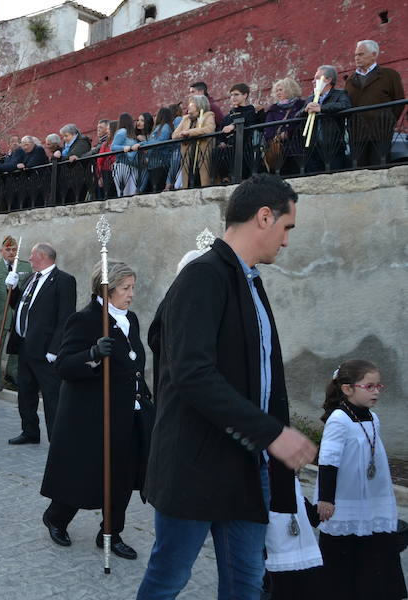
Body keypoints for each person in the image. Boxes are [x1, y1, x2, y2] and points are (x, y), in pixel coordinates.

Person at [137, 174, 317, 599]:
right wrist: (272, 434)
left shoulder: (249, 281)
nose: (287, 241)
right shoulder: (203, 276)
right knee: (168, 580)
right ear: (264, 216)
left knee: (246, 583)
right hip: (196, 464)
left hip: (245, 468)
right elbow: (191, 374)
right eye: (287, 227)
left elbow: (261, 378)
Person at [40, 261, 152, 561]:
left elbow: (133, 362)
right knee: (85, 475)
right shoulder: (86, 320)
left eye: (132, 287)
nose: (132, 294)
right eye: (126, 288)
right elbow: (63, 365)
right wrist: (91, 354)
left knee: (123, 476)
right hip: (94, 415)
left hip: (129, 411)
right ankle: (57, 517)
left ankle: (111, 534)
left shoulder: (131, 319)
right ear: (107, 288)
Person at [315, 359, 406, 600]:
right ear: (347, 389)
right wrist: (326, 499)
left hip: (373, 500)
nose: (376, 391)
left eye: (379, 386)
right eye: (369, 386)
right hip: (345, 499)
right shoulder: (339, 419)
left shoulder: (372, 419)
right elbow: (328, 460)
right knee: (345, 556)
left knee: (376, 550)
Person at [4, 243, 76, 443]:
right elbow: (19, 305)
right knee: (25, 393)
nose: (29, 258)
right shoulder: (30, 278)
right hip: (25, 345)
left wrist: (56, 349)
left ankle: (57, 439)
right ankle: (30, 432)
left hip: (46, 351)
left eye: (32, 255)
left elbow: (66, 318)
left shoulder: (64, 281)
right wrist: (11, 289)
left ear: (42, 256)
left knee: (52, 397)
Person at [344, 40, 405, 167]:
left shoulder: (389, 75)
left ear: (374, 54)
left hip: (381, 131)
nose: (357, 58)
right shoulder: (350, 80)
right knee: (359, 171)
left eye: (361, 54)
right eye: (356, 55)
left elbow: (399, 101)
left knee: (380, 167)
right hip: (357, 133)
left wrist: (388, 121)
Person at [0, 236, 32, 391]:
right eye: (8, 250)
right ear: (1, 251)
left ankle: (12, 375)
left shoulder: (25, 266)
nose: (11, 252)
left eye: (14, 249)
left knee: (17, 349)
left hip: (17, 316)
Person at [299, 65, 351, 173]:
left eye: (317, 78)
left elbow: (345, 106)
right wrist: (305, 110)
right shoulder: (310, 98)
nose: (313, 81)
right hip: (313, 148)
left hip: (333, 146)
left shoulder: (339, 94)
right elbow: (297, 117)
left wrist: (321, 108)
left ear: (328, 80)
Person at [213, 83, 260, 183]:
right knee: (217, 151)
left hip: (245, 145)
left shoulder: (250, 110)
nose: (233, 97)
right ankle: (224, 177)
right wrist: (221, 142)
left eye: (236, 94)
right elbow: (221, 133)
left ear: (245, 95)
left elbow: (247, 121)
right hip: (229, 148)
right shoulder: (228, 116)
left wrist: (233, 126)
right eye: (231, 95)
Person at [262, 78, 307, 176]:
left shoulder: (301, 105)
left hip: (299, 148)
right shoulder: (273, 109)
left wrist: (288, 133)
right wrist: (276, 137)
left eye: (280, 90)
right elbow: (268, 130)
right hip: (279, 151)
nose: (278, 93)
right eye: (276, 91)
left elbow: (303, 123)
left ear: (290, 89)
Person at [172, 95, 216, 188]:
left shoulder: (208, 115)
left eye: (191, 104)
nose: (188, 106)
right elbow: (174, 135)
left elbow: (209, 129)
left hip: (201, 152)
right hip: (187, 155)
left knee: (202, 180)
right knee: (188, 182)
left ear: (200, 105)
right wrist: (181, 134)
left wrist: (190, 132)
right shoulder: (185, 118)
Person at [111, 113, 141, 197]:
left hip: (131, 167)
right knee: (126, 195)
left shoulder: (131, 134)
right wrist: (124, 147)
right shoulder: (122, 132)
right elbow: (113, 147)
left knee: (129, 195)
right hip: (123, 166)